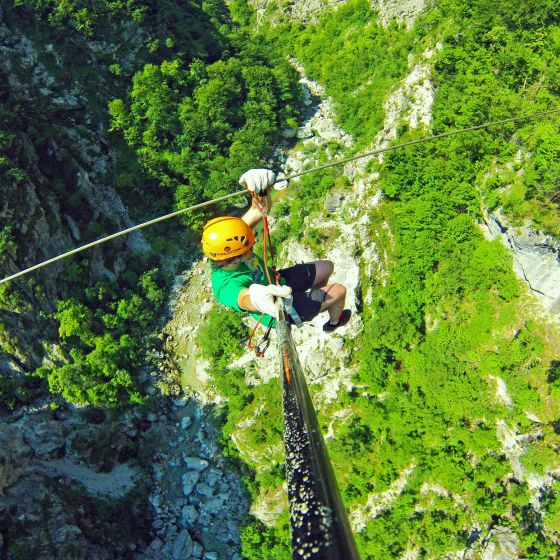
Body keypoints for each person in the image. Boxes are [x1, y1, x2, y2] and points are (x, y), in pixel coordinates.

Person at [202, 169, 351, 332]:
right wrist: (258, 301)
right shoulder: (225, 286)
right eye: (248, 249)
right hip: (278, 308)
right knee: (339, 291)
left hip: (279, 281)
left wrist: (260, 191)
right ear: (232, 258)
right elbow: (244, 299)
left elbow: (259, 210)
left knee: (327, 266)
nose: (254, 244)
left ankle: (314, 302)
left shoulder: (226, 242)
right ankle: (334, 322)